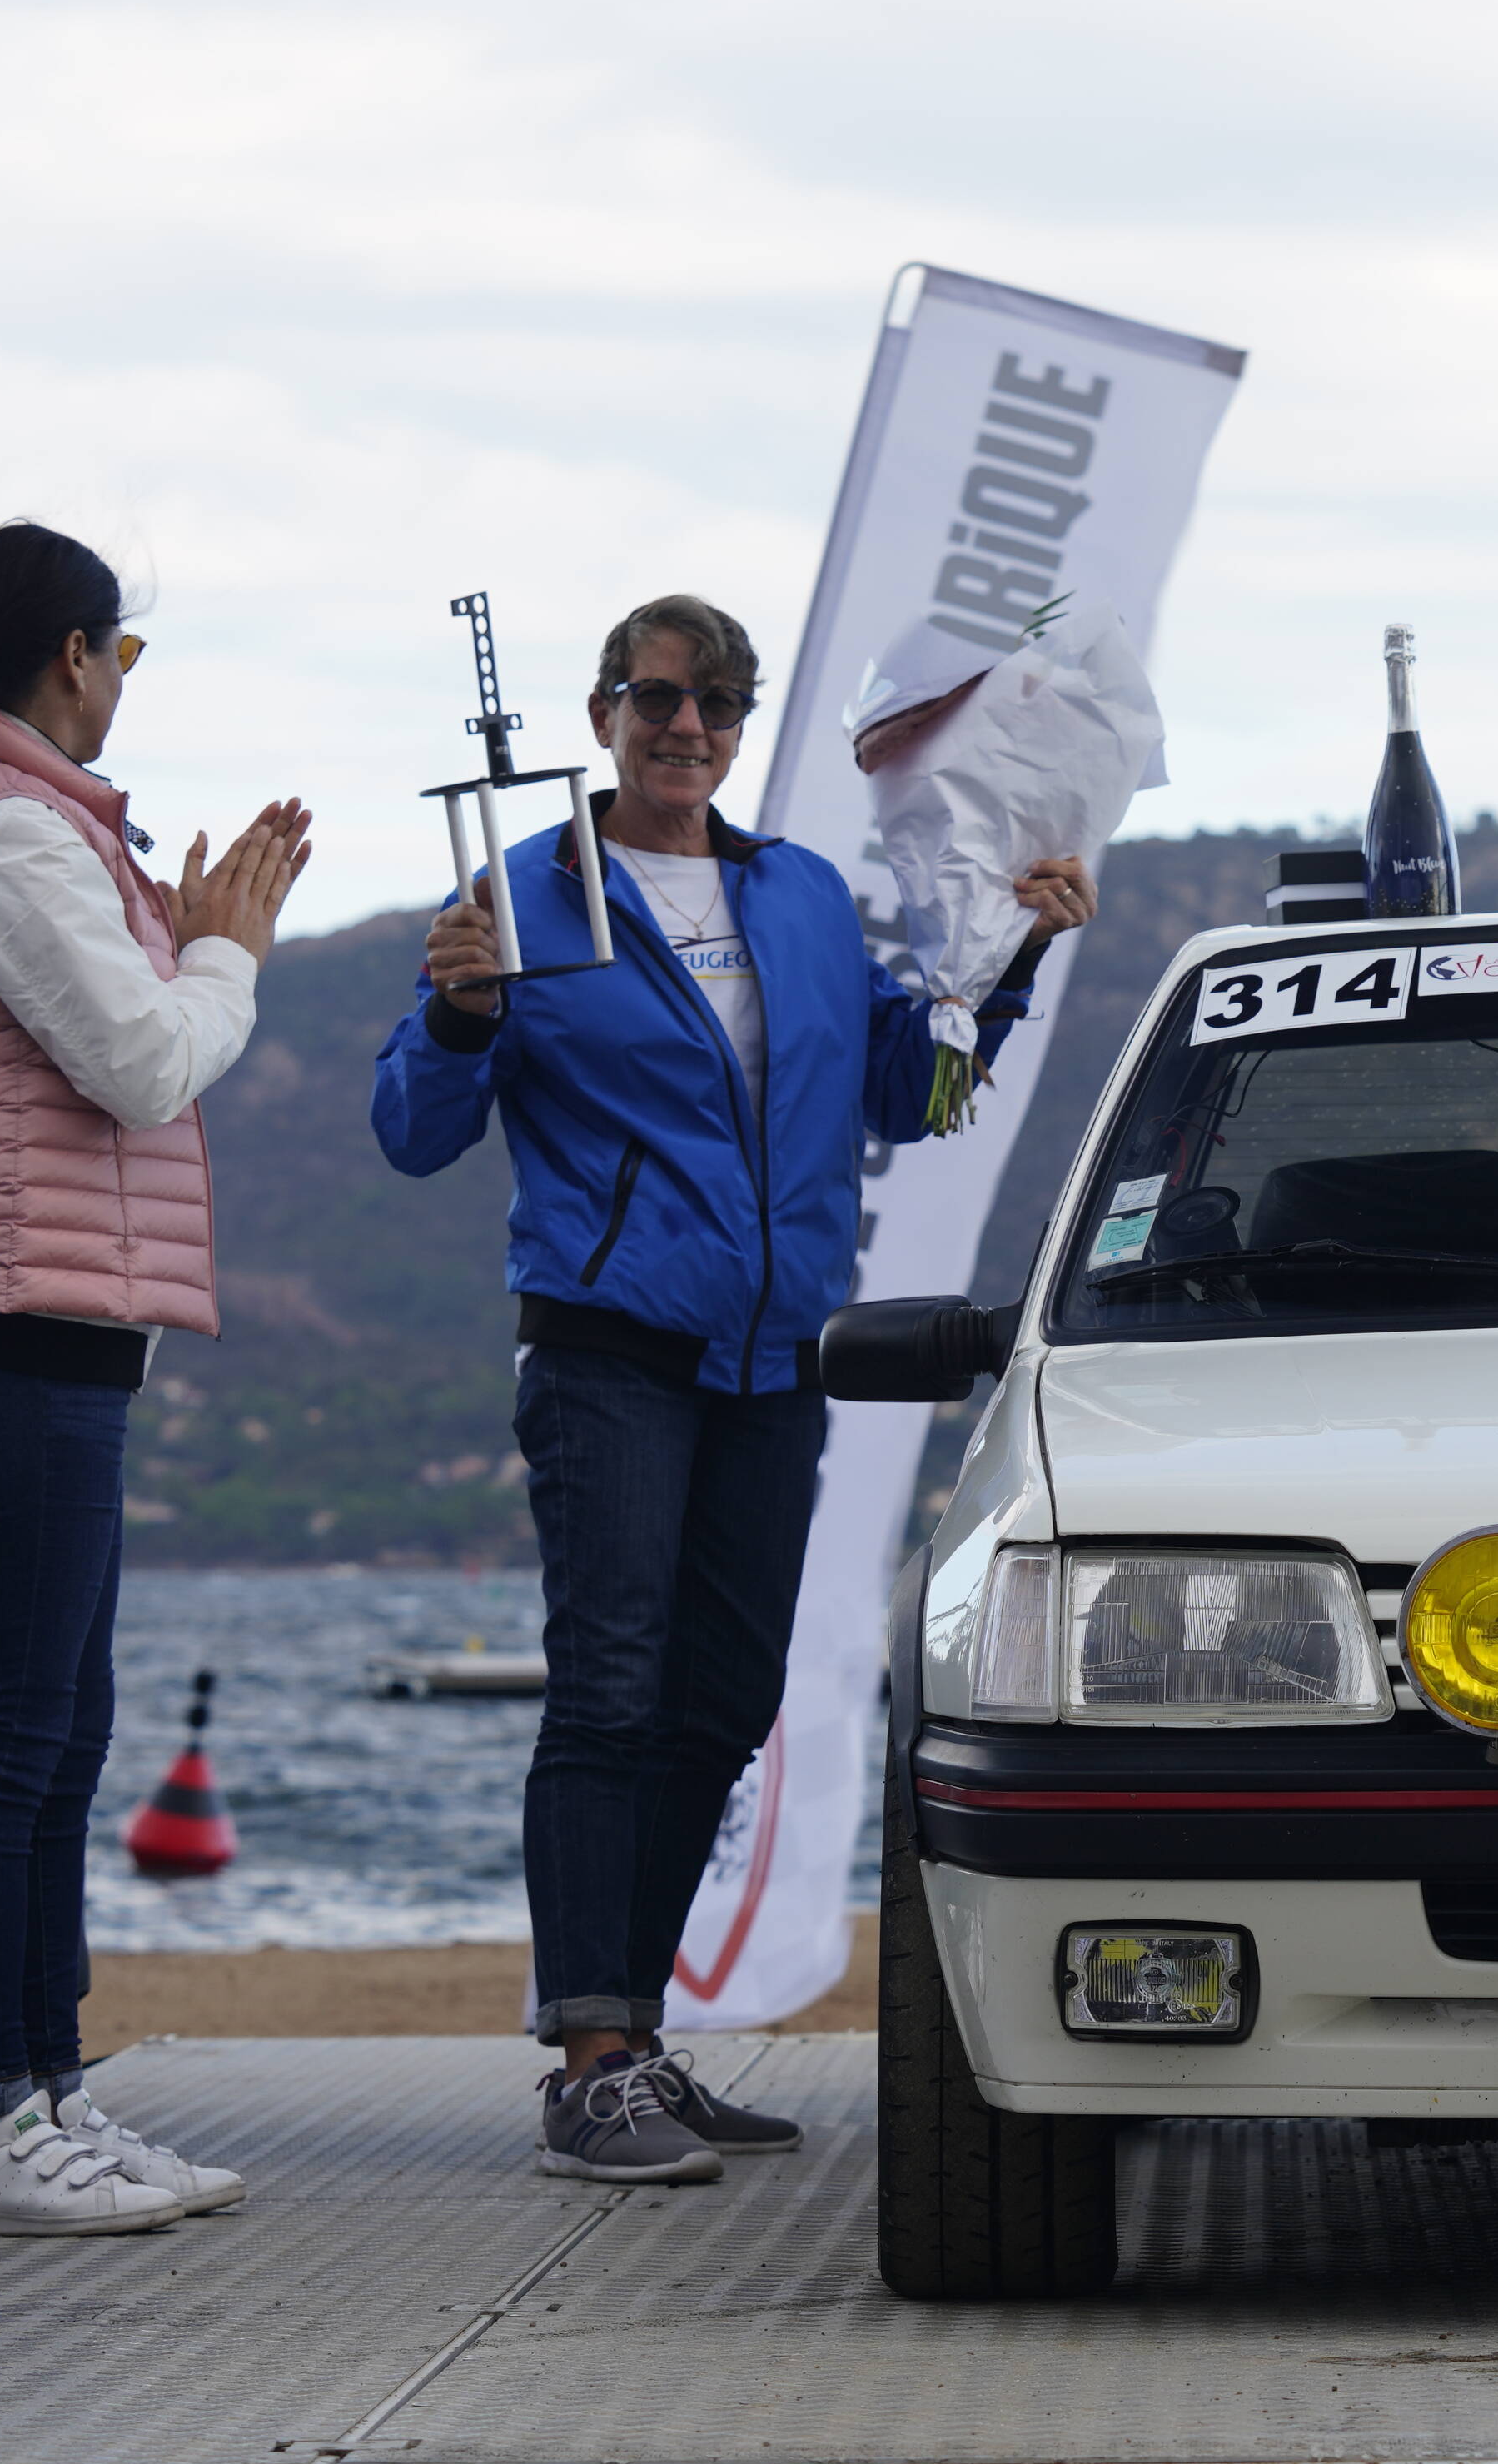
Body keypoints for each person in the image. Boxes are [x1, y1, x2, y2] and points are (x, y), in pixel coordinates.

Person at [371, 594, 1094, 2184]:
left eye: (714, 703)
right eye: (654, 697)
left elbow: (918, 1088)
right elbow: (413, 1130)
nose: (683, 725)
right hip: (610, 1352)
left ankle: (635, 2031)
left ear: (741, 726)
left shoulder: (802, 897)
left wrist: (1025, 951)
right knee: (609, 1691)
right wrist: (451, 1011)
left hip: (779, 1362)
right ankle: (587, 2060)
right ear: (601, 711)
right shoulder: (527, 896)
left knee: (718, 1702)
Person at [0, 522, 312, 2233]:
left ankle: (47, 2091)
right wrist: (226, 947)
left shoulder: (4, 821)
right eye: (124, 654)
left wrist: (182, 929)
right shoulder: (6, 829)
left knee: (57, 1737)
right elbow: (144, 1061)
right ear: (72, 655)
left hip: (29, 1321)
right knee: (11, 1745)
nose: (125, 686)